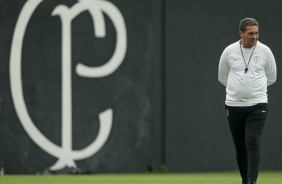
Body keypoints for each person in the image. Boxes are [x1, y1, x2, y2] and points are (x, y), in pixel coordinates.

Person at [218, 18, 277, 184]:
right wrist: (238, 91)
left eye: (257, 33)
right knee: (240, 146)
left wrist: (254, 91)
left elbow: (272, 77)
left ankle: (252, 181)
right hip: (234, 105)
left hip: (257, 106)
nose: (255, 37)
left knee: (252, 141)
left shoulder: (265, 51)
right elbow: (222, 77)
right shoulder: (229, 51)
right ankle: (245, 180)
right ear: (241, 33)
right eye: (250, 33)